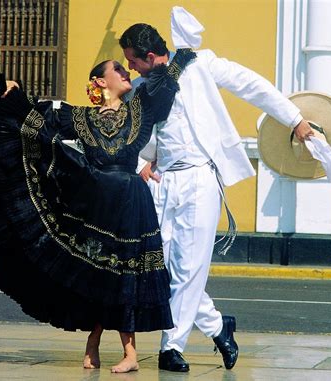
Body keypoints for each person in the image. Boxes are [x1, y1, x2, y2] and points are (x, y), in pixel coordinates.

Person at [0, 51, 195, 373]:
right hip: (97, 199)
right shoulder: (80, 117)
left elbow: (162, 90)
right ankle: (93, 342)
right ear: (101, 81)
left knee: (126, 275)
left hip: (132, 202)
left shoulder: (138, 110)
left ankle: (130, 354)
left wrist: (179, 60)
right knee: (98, 273)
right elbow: (36, 122)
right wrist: (14, 96)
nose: (125, 71)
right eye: (117, 68)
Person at [118, 7, 314, 372]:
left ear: (149, 55)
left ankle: (170, 347)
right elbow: (129, 139)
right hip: (162, 181)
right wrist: (139, 164)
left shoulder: (199, 65)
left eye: (133, 62)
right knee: (159, 268)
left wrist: (296, 119)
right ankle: (218, 325)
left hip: (199, 178)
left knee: (190, 268)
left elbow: (251, 84)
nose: (130, 70)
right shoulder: (143, 91)